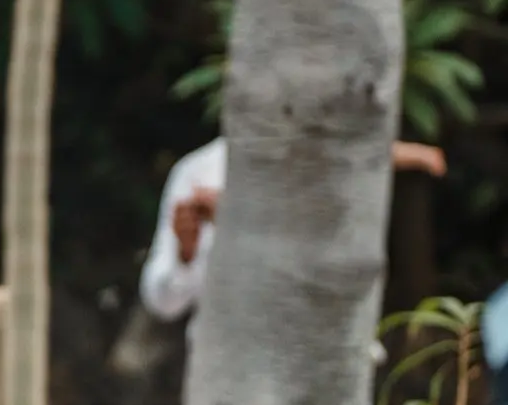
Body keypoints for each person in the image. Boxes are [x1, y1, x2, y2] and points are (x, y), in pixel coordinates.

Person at [140, 134, 448, 323]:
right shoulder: (198, 173)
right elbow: (163, 306)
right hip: (226, 372)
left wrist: (238, 220)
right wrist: (185, 254)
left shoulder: (321, 168)